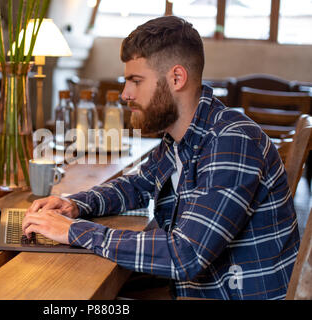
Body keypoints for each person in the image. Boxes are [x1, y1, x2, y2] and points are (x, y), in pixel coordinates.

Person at [22, 16, 300, 300]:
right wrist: (74, 205)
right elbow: (135, 185)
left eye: (135, 81)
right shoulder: (180, 138)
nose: (124, 94)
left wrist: (76, 232)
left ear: (176, 78)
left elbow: (185, 255)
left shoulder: (232, 141)